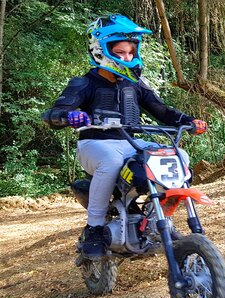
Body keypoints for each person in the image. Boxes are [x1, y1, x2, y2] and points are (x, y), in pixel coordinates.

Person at [43, 14, 207, 259]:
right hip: (95, 144)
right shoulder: (85, 83)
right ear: (100, 50)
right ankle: (95, 228)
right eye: (120, 52)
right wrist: (69, 117)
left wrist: (188, 122)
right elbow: (54, 113)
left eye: (131, 52)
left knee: (177, 154)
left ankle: (159, 219)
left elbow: (162, 111)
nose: (127, 57)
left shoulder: (136, 84)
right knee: (110, 160)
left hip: (131, 143)